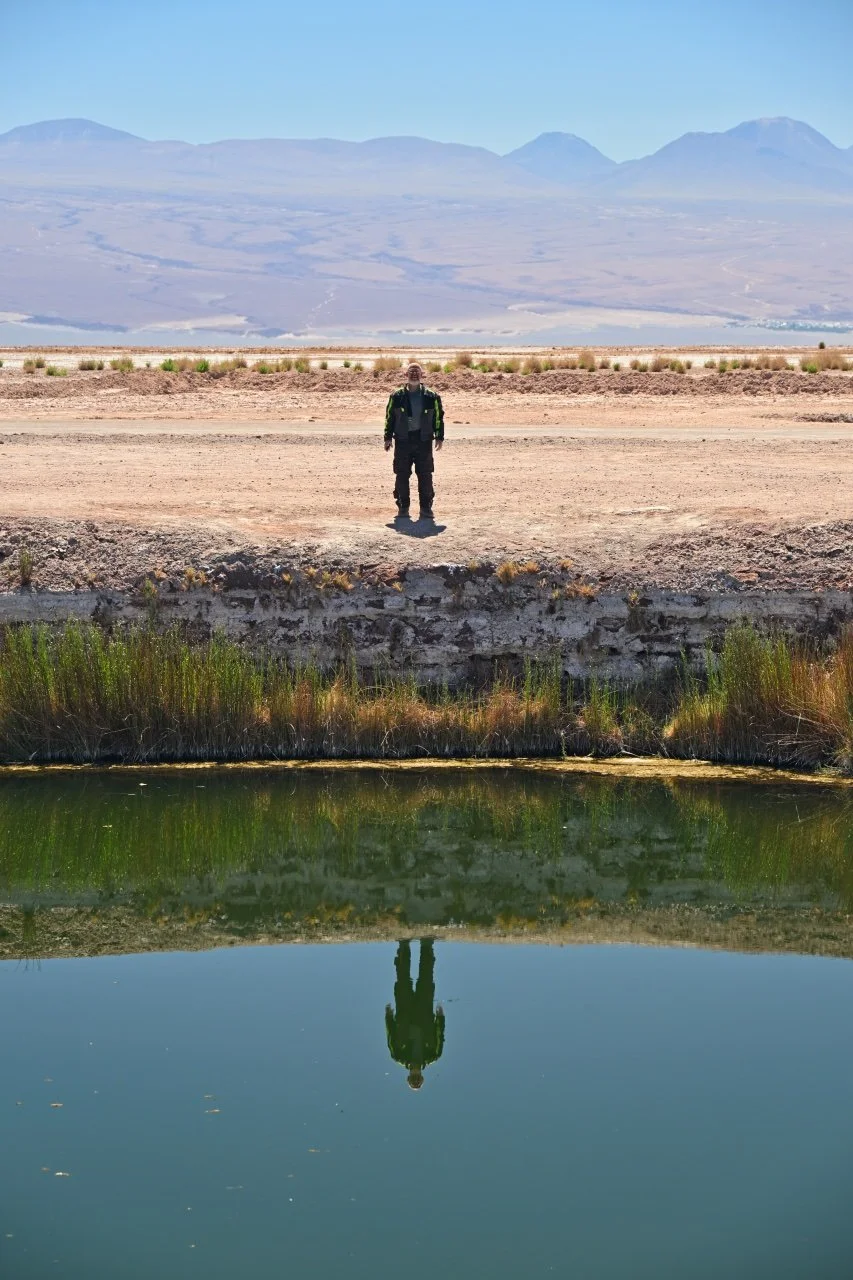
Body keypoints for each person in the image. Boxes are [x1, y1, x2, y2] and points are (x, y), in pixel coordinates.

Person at [383, 362, 444, 521]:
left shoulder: (432, 396)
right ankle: (403, 507)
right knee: (402, 475)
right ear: (406, 375)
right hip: (403, 440)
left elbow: (438, 417)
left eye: (417, 372)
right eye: (411, 371)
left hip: (423, 440)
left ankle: (426, 508)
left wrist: (439, 436)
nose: (414, 374)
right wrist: (388, 437)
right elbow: (389, 417)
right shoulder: (396, 396)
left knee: (425, 475)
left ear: (422, 375)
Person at [385, 939, 445, 1090]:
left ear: (409, 1075)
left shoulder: (397, 1055)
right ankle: (427, 945)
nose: (415, 1074)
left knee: (402, 980)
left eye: (413, 1077)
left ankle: (403, 945)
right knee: (426, 977)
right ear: (422, 1076)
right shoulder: (433, 1055)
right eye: (418, 1077)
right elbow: (439, 1034)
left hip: (404, 1013)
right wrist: (441, 1017)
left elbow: (390, 1035)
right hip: (424, 1013)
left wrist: (388, 1017)